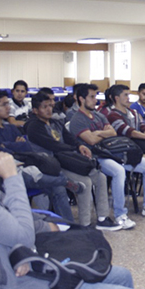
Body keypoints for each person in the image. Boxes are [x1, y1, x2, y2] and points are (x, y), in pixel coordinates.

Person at [0, 99, 144, 289]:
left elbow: (7, 222)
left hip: (18, 263)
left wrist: (24, 245)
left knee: (122, 276)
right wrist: (12, 178)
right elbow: (22, 233)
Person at [27, 92, 123, 230]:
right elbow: (53, 145)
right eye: (44, 107)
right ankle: (85, 223)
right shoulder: (34, 127)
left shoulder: (55, 122)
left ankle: (102, 218)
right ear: (35, 110)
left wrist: (80, 146)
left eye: (50, 106)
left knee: (100, 177)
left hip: (66, 160)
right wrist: (74, 148)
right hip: (50, 165)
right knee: (85, 182)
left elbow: (69, 137)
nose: (49, 109)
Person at [0, 90, 81, 221]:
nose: (9, 107)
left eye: (8, 103)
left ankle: (68, 225)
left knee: (58, 188)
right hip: (9, 172)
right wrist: (14, 146)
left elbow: (26, 147)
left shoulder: (11, 128)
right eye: (4, 105)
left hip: (27, 163)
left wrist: (12, 146)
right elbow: (2, 152)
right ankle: (64, 182)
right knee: (52, 181)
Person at [69, 84, 145, 227]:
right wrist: (103, 133)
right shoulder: (78, 119)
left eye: (96, 96)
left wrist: (98, 133)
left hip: (112, 152)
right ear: (81, 99)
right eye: (92, 97)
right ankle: (120, 215)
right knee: (119, 171)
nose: (96, 100)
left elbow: (113, 132)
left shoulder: (98, 115)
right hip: (95, 157)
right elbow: (91, 140)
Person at [99, 85, 145, 217]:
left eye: (129, 95)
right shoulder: (112, 115)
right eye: (125, 95)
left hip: (134, 152)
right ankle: (120, 213)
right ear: (116, 98)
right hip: (119, 154)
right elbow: (129, 132)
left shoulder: (133, 113)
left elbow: (144, 128)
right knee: (125, 170)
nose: (129, 98)